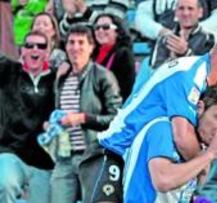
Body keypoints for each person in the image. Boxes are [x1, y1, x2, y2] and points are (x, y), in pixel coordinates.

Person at [97, 22, 217, 198]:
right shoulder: (188, 74)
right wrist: (205, 160)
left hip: (139, 159)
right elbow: (182, 137)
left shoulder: (207, 85)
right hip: (113, 152)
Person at [123, 84, 217, 202]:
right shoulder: (163, 128)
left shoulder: (200, 146)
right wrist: (209, 155)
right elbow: (163, 181)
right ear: (200, 108)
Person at [50, 24, 123, 203]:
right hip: (65, 156)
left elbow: (117, 118)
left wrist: (83, 118)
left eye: (81, 42)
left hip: (93, 155)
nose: (75, 47)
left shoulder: (103, 76)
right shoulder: (62, 77)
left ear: (91, 47)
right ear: (65, 47)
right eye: (71, 42)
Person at [0, 31, 55, 203]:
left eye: (41, 46)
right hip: (11, 152)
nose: (34, 49)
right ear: (21, 51)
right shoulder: (7, 71)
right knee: (5, 185)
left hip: (44, 160)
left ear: (48, 52)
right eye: (29, 45)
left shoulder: (57, 78)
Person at [149, 0, 214, 69]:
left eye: (190, 8)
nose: (185, 13)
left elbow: (206, 70)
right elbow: (156, 72)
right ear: (176, 12)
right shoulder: (165, 39)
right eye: (181, 8)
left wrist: (186, 53)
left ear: (200, 12)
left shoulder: (209, 38)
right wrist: (173, 59)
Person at [134, 0, 217, 41]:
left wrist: (195, 31)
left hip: (201, 49)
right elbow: (141, 18)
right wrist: (160, 31)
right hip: (162, 48)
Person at [93, 13, 136, 101]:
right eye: (97, 28)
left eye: (106, 27)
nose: (100, 30)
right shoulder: (91, 54)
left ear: (117, 32)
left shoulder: (124, 54)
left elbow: (126, 90)